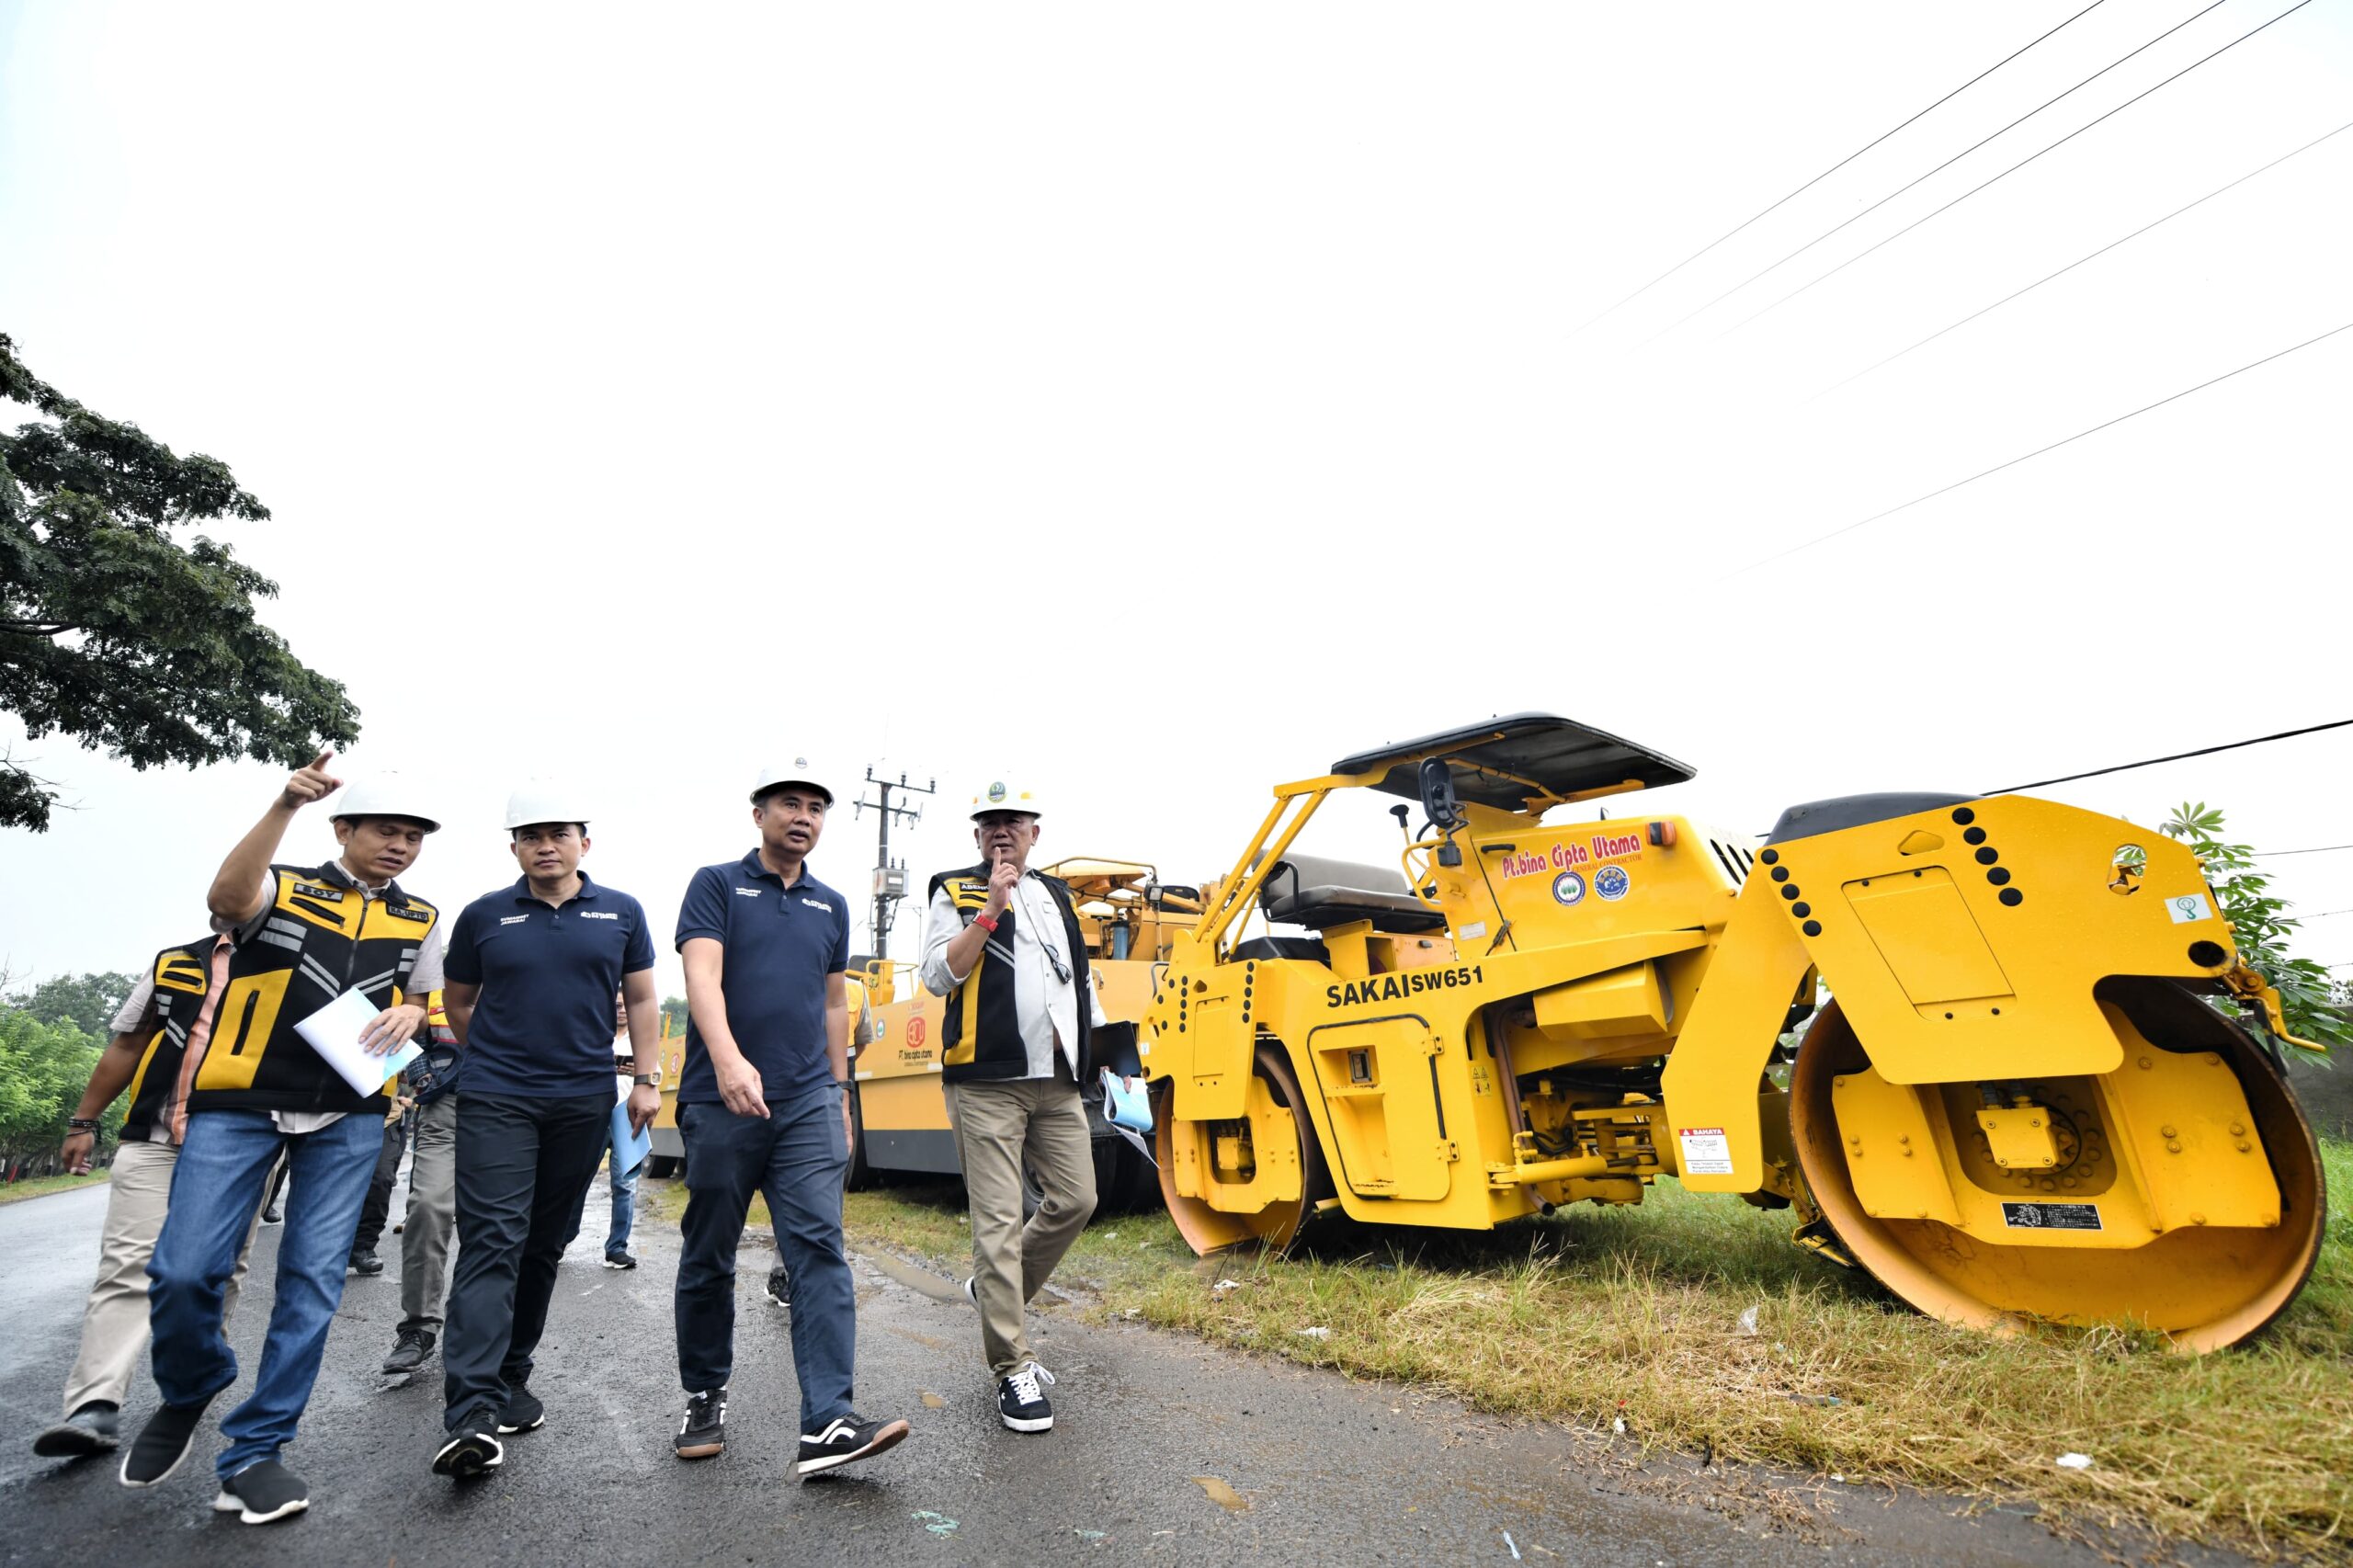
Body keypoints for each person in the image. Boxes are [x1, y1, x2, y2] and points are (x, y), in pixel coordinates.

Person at [124, 756, 443, 1526]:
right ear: (344, 830)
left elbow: (429, 1002)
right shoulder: (284, 886)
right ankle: (193, 1382)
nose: (400, 846)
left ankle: (256, 1451)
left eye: (413, 837)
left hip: (351, 1113)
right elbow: (225, 902)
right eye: (386, 831)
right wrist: (282, 806)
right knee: (183, 1270)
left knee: (311, 1283)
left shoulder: (422, 917)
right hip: (238, 1101)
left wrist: (415, 1014)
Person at [671, 759, 908, 1475]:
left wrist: (839, 1094)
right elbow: (701, 975)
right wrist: (728, 1061)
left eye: (815, 808)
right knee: (710, 1250)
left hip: (806, 1102)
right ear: (760, 814)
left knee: (819, 1251)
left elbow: (836, 1004)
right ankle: (705, 1393)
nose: (803, 817)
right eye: (789, 804)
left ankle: (829, 1420)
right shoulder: (717, 884)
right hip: (722, 1099)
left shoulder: (830, 905)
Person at [429, 790, 659, 1480]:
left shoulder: (622, 912)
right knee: (492, 1239)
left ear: (585, 842)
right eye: (530, 836)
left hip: (583, 1098)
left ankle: (510, 1375)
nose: (545, 846)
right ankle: (471, 1410)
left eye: (558, 833)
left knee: (544, 1242)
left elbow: (642, 996)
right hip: (496, 1097)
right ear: (514, 847)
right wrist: (497, 1057)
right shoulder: (483, 915)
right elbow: (459, 1001)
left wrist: (646, 1079)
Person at [30, 937, 266, 1459]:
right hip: (154, 1138)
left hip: (244, 1149)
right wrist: (83, 1121)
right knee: (126, 1267)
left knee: (216, 1270)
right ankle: (94, 1404)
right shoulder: (176, 963)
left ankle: (195, 1378)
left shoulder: (302, 961)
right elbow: (128, 1044)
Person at [919, 779, 1104, 1434]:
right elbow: (938, 975)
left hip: (1057, 1078)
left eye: (1014, 821)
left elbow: (1079, 980)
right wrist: (990, 910)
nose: (1002, 831)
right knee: (997, 1224)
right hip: (986, 1081)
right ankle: (1011, 1368)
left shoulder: (1057, 894)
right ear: (977, 835)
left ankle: (995, 1290)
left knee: (1077, 1200)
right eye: (990, 822)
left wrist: (1104, 1052)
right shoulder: (954, 890)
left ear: (1034, 832)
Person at [381, 996, 462, 1376]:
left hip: (511, 1108)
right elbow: (404, 1031)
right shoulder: (430, 988)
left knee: (494, 1223)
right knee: (428, 1206)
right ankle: (419, 1327)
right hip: (445, 1107)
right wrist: (420, 1076)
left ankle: (476, 1326)